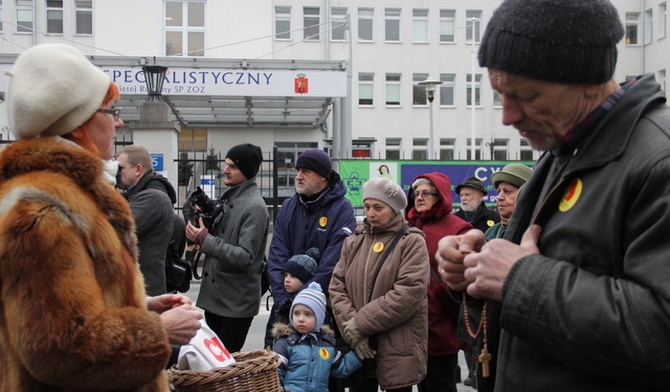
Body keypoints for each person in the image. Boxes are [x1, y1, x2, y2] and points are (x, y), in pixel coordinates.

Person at [437, 0, 670, 391]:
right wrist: (477, 273)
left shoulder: (657, 161)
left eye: (527, 96)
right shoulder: (564, 152)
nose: (508, 116)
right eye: (501, 95)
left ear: (590, 80)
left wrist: (518, 278)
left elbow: (660, 332)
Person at [0, 43, 201, 391]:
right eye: (111, 110)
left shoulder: (73, 194)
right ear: (78, 123)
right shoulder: (40, 210)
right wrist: (159, 331)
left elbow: (78, 303)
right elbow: (59, 347)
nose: (119, 121)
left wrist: (144, 305)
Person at [330, 177, 429, 392]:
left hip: (397, 346)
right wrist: (353, 331)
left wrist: (361, 324)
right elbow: (337, 286)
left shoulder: (411, 241)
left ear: (394, 210)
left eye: (378, 207)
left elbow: (408, 292)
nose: (370, 213)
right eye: (366, 207)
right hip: (359, 346)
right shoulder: (354, 241)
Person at [265, 148, 356, 348]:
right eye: (298, 170)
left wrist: (305, 300)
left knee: (319, 371)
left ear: (323, 177)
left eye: (306, 171)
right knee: (280, 370)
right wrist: (282, 298)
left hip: (321, 309)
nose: (298, 176)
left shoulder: (342, 209)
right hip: (285, 307)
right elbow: (276, 255)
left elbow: (334, 261)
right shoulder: (289, 207)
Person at [185, 143, 269, 353]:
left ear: (247, 171)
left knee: (224, 366)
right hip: (216, 299)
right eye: (226, 164)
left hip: (235, 305)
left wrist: (205, 240)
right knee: (211, 362)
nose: (225, 170)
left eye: (232, 166)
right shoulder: (231, 197)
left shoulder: (255, 207)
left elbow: (245, 256)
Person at [404, 173, 472, 392]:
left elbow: (465, 275)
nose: (419, 198)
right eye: (416, 193)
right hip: (407, 323)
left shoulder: (458, 229)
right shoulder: (407, 225)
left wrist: (440, 303)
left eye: (426, 193)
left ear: (440, 196)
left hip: (439, 325)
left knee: (439, 383)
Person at [272, 282, 363, 391]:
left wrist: (359, 354)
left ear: (319, 319)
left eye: (307, 314)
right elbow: (275, 371)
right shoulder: (285, 342)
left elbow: (340, 368)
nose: (301, 319)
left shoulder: (327, 344)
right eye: (296, 313)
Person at [116, 145, 179, 296]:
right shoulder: (139, 196)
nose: (116, 174)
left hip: (144, 290)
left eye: (120, 168)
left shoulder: (152, 198)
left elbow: (115, 230)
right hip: (138, 287)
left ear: (138, 169)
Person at [484, 164, 532, 240]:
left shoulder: (534, 233)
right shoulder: (491, 232)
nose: (499, 197)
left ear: (526, 195)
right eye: (498, 191)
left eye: (507, 191)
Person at [275, 247, 320, 324]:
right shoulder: (283, 301)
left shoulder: (312, 303)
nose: (287, 280)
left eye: (293, 276)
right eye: (286, 275)